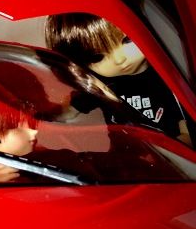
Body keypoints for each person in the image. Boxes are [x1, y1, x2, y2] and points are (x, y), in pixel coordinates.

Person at [44, 13, 192, 145]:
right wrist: (46, 118)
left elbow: (187, 134)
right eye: (98, 57)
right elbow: (71, 109)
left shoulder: (172, 78)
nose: (119, 59)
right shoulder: (100, 83)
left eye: (127, 40)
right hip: (123, 152)